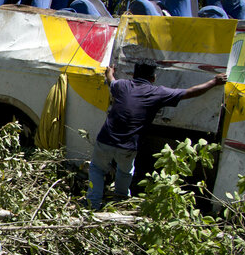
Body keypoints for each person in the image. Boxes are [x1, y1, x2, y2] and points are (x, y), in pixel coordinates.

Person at [86, 60, 227, 209]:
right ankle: (119, 202)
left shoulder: (121, 85)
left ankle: (92, 204)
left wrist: (110, 73)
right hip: (128, 146)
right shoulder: (157, 92)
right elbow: (189, 92)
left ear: (133, 75)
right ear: (153, 78)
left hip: (105, 139)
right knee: (125, 172)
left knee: (97, 169)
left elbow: (111, 82)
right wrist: (214, 82)